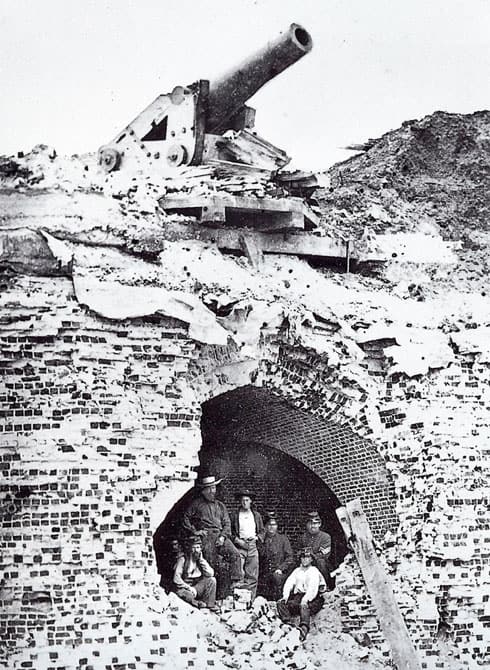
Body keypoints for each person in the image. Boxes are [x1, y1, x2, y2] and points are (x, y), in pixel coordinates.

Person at [181, 475, 244, 588]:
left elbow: (227, 523)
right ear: (203, 491)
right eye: (209, 489)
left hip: (220, 535)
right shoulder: (197, 504)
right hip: (207, 536)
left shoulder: (220, 506)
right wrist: (195, 531)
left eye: (214, 488)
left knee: (235, 555)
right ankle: (211, 592)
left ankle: (236, 583)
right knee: (211, 563)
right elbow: (185, 517)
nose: (212, 491)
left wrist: (223, 537)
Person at [277, 547, 326, 641]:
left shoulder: (314, 571)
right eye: (302, 557)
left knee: (304, 606)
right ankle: (287, 623)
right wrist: (285, 596)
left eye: (307, 557)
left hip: (313, 598)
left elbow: (313, 588)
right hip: (298, 597)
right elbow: (289, 583)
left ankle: (304, 628)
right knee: (281, 603)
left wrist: (306, 599)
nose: (304, 559)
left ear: (311, 559)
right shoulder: (297, 571)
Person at [231, 489, 264, 601]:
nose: (244, 502)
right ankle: (238, 601)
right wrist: (236, 540)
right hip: (240, 545)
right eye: (242, 500)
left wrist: (257, 538)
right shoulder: (235, 515)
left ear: (251, 502)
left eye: (247, 500)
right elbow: (230, 532)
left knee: (252, 575)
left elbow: (262, 531)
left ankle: (250, 600)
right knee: (239, 574)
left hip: (252, 545)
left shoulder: (256, 515)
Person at [173, 534, 218, 611]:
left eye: (198, 547)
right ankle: (197, 604)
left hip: (197, 587)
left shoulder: (200, 561)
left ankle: (209, 605)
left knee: (212, 580)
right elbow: (176, 578)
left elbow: (210, 574)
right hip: (185, 588)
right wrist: (188, 588)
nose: (196, 550)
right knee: (186, 595)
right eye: (193, 547)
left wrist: (201, 560)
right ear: (190, 549)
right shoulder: (183, 559)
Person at [257, 512, 294, 601]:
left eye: (274, 525)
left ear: (277, 526)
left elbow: (290, 558)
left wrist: (281, 568)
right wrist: (260, 542)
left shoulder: (283, 539)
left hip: (278, 573)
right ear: (265, 527)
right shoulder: (261, 540)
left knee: (276, 579)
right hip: (264, 574)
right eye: (269, 525)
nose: (271, 527)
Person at [301, 510, 333, 588]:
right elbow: (299, 550)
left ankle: (325, 586)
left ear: (319, 524)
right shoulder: (303, 537)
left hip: (320, 564)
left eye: (315, 523)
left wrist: (311, 555)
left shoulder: (325, 537)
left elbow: (324, 554)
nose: (313, 526)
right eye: (310, 524)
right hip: (305, 562)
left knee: (321, 562)